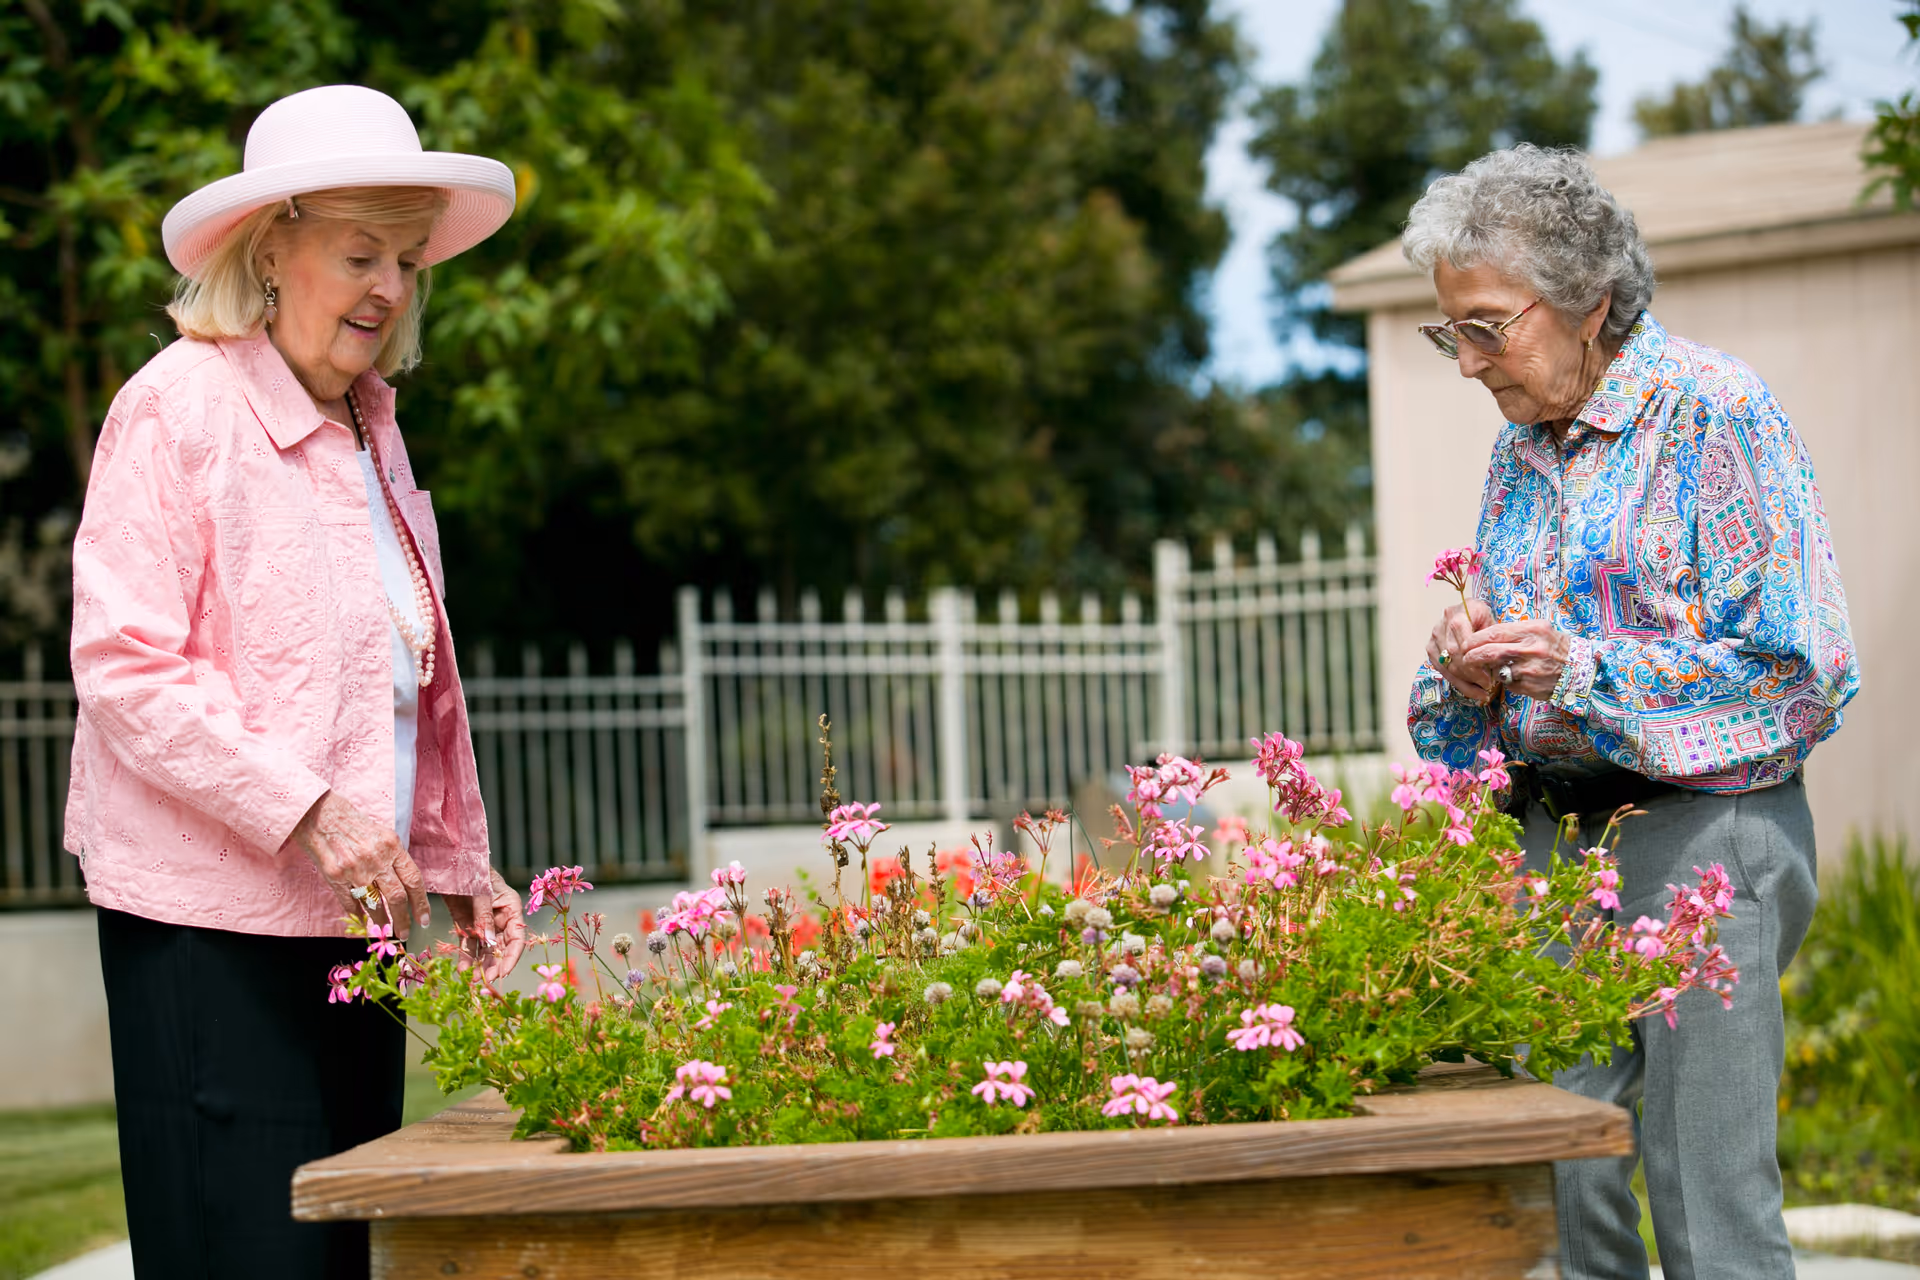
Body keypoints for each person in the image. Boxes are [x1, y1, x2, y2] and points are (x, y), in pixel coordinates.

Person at [66, 85, 529, 1278]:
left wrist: (454, 857)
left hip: (347, 931)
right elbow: (125, 664)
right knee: (248, 1258)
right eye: (359, 252)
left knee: (336, 1257)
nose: (389, 286)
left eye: (408, 260)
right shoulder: (177, 406)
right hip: (208, 933)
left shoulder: (374, 425)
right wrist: (311, 808)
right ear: (274, 246)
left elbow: (397, 675)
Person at [1401, 144, 1858, 1280]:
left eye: (1486, 327)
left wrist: (1584, 667)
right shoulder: (1522, 447)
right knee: (1562, 1175)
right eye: (1449, 331)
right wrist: (1472, 676)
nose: (1466, 362)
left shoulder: (1717, 410)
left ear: (1589, 300)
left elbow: (1804, 672)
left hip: (1707, 837)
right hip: (1564, 839)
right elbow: (1525, 676)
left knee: (1706, 1200)